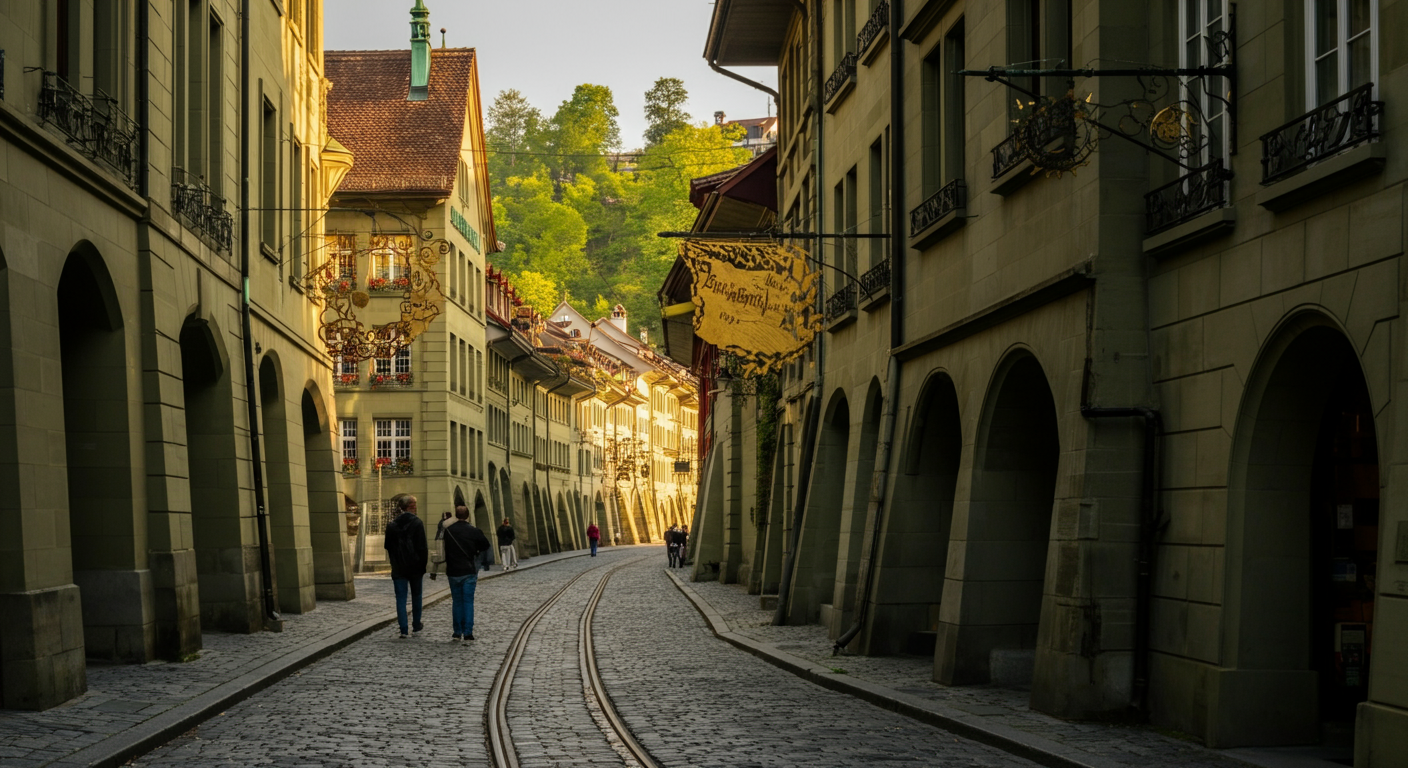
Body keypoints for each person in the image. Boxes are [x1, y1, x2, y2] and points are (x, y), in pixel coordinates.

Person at [442, 505, 491, 642]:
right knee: (468, 602)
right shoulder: (474, 531)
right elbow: (485, 545)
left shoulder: (449, 531)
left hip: (453, 571)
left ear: (456, 516)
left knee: (457, 602)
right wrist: (475, 551)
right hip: (469, 570)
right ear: (468, 516)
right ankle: (468, 633)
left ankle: (457, 632)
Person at [384, 494, 428, 638]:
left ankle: (403, 629)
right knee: (416, 596)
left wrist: (394, 562)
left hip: (398, 567)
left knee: (401, 599)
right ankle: (416, 625)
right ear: (411, 506)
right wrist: (423, 566)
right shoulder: (417, 523)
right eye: (415, 505)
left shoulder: (391, 525)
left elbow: (388, 546)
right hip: (415, 567)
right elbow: (422, 547)